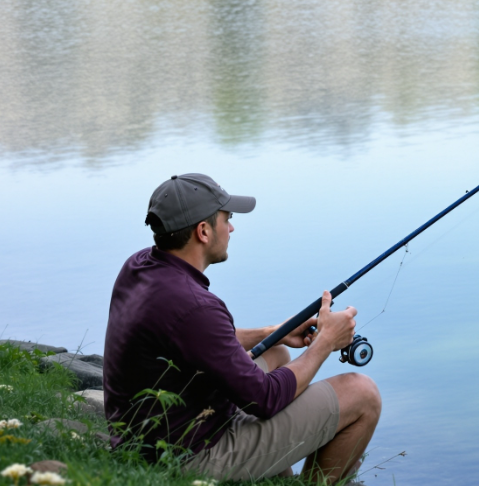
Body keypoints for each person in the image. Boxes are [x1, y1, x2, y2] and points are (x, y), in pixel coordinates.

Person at [102, 173, 381, 483]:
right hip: (187, 459)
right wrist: (325, 343)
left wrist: (272, 332)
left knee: (275, 351)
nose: (232, 228)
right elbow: (266, 399)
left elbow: (194, 339)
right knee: (363, 393)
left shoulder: (139, 266)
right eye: (227, 218)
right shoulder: (196, 306)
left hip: (144, 442)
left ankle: (276, 478)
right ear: (204, 231)